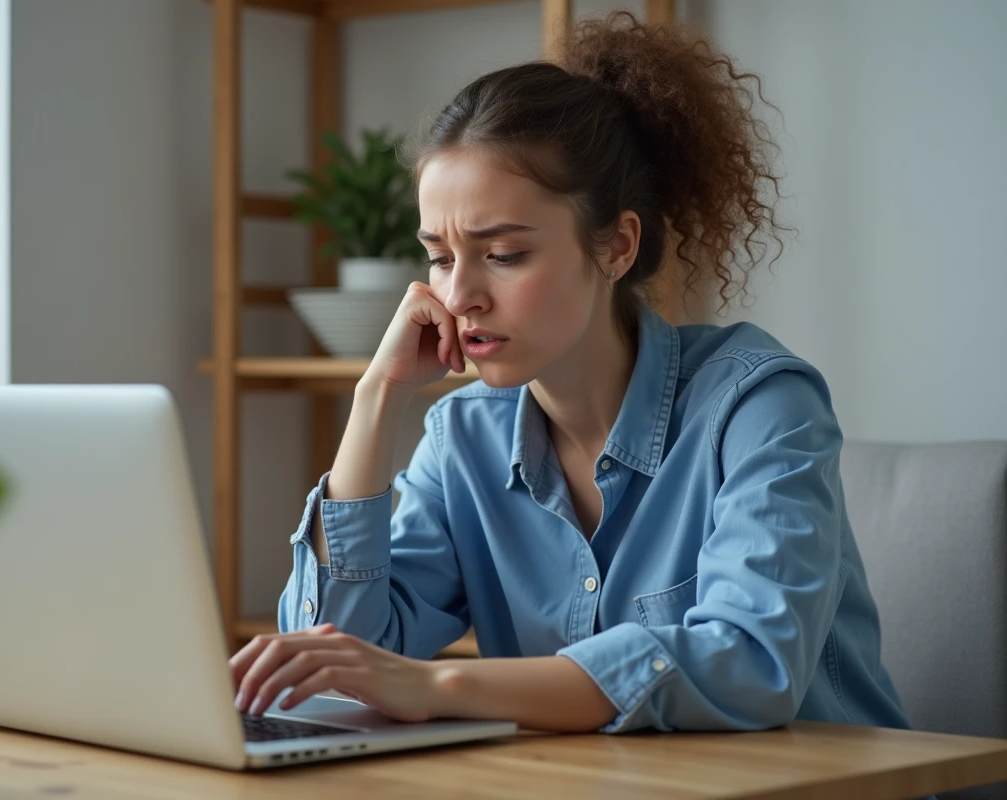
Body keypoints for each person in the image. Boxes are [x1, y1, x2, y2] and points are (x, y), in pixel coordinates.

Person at [229, 11, 912, 735]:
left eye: (504, 254)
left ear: (616, 246)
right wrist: (376, 398)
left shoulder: (758, 405)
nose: (458, 296)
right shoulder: (464, 440)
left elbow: (750, 665)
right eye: (439, 255)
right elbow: (340, 661)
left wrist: (443, 682)